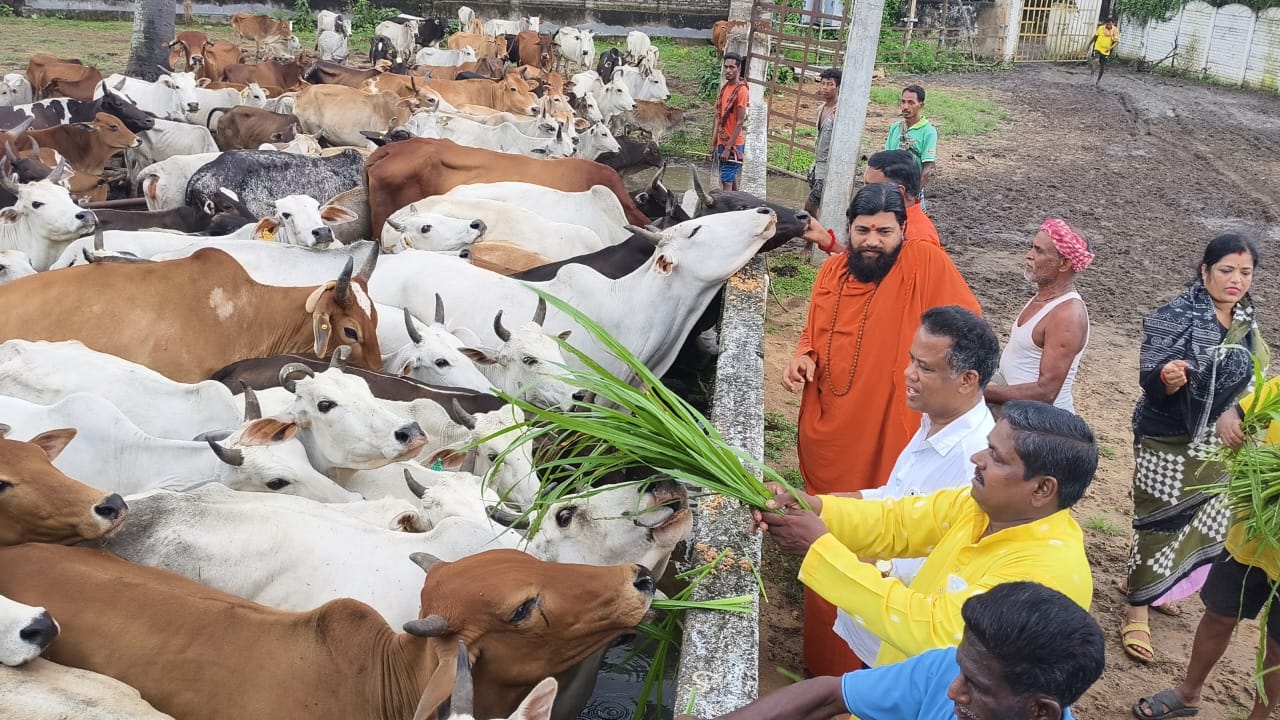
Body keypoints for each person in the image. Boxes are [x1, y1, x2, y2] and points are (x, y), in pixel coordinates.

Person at [782, 182, 979, 675]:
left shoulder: (924, 266)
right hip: (829, 431)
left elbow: (969, 331)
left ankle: (863, 676)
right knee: (826, 535)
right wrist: (803, 356)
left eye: (884, 232)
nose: (872, 241)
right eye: (863, 230)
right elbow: (815, 332)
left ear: (903, 231)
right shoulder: (830, 271)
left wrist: (933, 383)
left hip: (892, 431)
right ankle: (822, 668)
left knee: (883, 544)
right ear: (847, 230)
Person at [758, 400, 1096, 674]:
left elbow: (935, 632)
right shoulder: (982, 507)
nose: (976, 459)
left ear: (1041, 489)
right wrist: (815, 509)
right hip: (902, 680)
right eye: (986, 447)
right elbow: (897, 522)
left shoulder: (1043, 575)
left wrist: (820, 550)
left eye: (996, 456)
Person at [1121, 233, 1266, 664]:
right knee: (1157, 522)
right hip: (1167, 439)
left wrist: (1237, 412)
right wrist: (1168, 379)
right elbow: (1151, 373)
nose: (1236, 280)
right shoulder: (1175, 314)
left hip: (1217, 449)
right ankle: (1136, 612)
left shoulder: (1247, 320)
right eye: (1226, 270)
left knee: (1199, 520)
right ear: (1205, 272)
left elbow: (1255, 376)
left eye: (1245, 272)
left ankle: (1155, 585)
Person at [833, 305, 999, 666]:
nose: (908, 374)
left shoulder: (976, 461)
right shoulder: (934, 420)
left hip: (902, 644)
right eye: (912, 360)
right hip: (876, 626)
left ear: (967, 380)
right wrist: (820, 506)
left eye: (924, 368)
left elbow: (937, 570)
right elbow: (894, 499)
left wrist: (830, 546)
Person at [685, 582, 1105, 720]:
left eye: (974, 686)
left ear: (1040, 711)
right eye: (961, 670)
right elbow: (830, 693)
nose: (952, 690)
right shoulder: (949, 670)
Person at [1133, 381, 1280, 720]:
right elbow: (1233, 414)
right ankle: (1189, 692)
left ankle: (1259, 716)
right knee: (1218, 614)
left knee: (1277, 649)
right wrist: (1229, 426)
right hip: (1250, 534)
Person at [985, 219, 1092, 413]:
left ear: (1064, 263)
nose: (1029, 255)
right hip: (1016, 413)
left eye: (1039, 251)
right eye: (1032, 248)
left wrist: (980, 392)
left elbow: (1046, 393)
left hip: (1034, 425)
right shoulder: (1044, 299)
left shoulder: (1066, 316)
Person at [864, 149, 940, 247]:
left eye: (871, 187)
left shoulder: (917, 239)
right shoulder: (888, 217)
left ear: (899, 192)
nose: (863, 192)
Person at [884, 85, 937, 191]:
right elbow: (886, 160)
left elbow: (927, 170)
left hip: (911, 188)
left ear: (921, 105)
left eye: (911, 103)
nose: (905, 107)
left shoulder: (928, 132)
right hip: (892, 187)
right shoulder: (895, 128)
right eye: (903, 102)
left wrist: (912, 194)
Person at [805, 67, 841, 220]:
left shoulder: (839, 112)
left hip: (828, 166)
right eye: (823, 83)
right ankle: (818, 238)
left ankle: (816, 239)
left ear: (838, 87)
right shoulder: (821, 109)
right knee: (818, 205)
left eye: (830, 84)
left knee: (810, 206)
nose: (825, 88)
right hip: (817, 164)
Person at [712, 52, 749, 191]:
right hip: (722, 142)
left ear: (738, 69)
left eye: (731, 67)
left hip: (733, 145)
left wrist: (728, 148)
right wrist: (713, 143)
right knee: (730, 178)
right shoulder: (725, 88)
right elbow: (719, 118)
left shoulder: (742, 91)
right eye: (726, 67)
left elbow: (740, 122)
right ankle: (740, 206)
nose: (728, 70)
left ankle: (726, 210)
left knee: (726, 180)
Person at [1086, 18, 1120, 86]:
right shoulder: (1101, 28)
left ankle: (1098, 81)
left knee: (1102, 66)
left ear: (1112, 24)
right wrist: (1089, 45)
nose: (1109, 26)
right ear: (1105, 24)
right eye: (1108, 24)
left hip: (1106, 50)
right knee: (1096, 61)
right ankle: (1091, 77)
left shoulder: (1115, 30)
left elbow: (1116, 42)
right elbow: (1095, 37)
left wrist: (1110, 48)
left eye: (1110, 24)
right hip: (1098, 47)